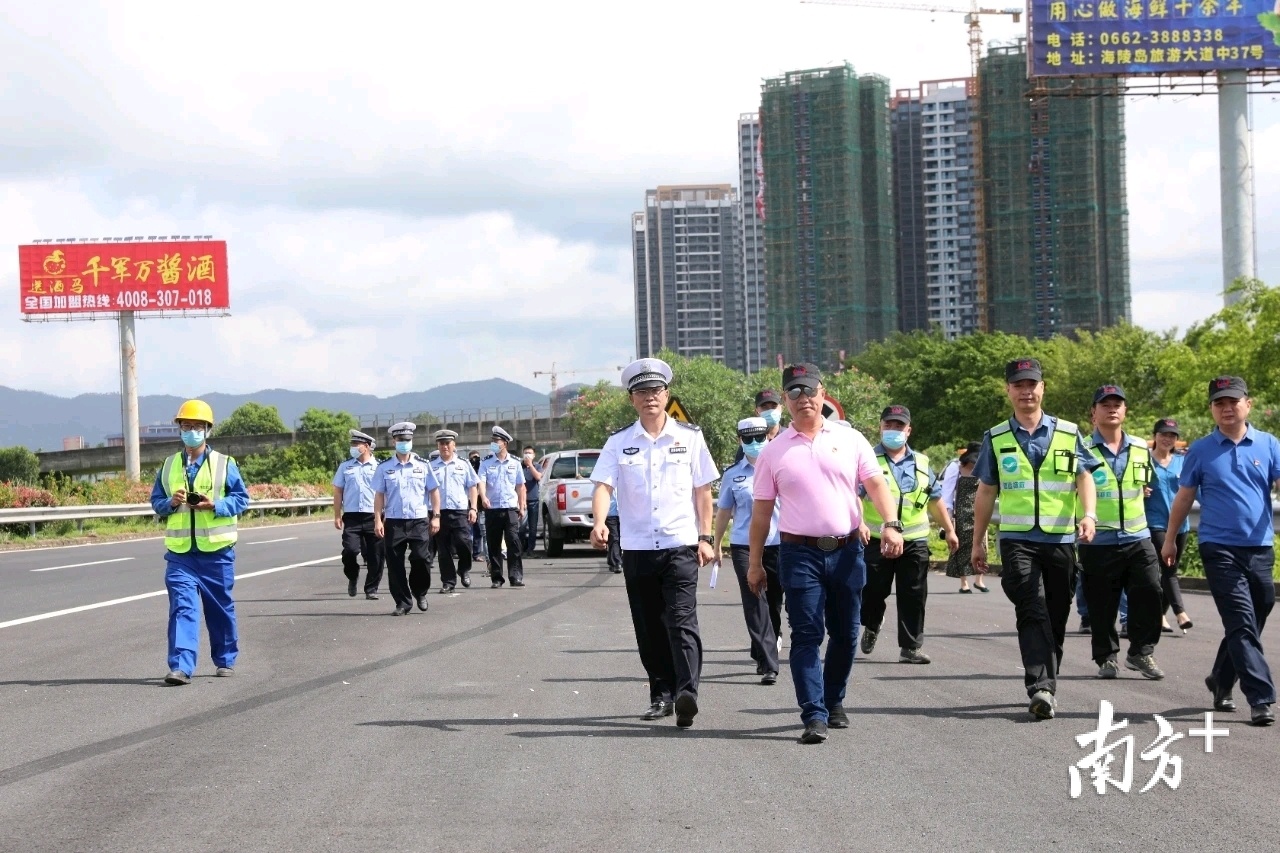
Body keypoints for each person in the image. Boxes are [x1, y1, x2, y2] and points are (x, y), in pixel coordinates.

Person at [749, 363, 905, 745]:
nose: (804, 399)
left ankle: (834, 700)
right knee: (806, 634)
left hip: (848, 549)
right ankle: (814, 714)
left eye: (809, 391)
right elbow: (761, 513)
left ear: (823, 394)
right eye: (795, 393)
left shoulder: (851, 440)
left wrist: (890, 522)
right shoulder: (773, 451)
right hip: (798, 553)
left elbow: (875, 483)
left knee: (847, 632)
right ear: (786, 402)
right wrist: (754, 563)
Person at [590, 357, 717, 729]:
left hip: (680, 545)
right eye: (642, 392)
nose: (650, 398)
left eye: (656, 391)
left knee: (681, 619)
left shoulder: (690, 438)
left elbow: (703, 491)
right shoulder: (619, 442)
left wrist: (706, 537)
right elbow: (603, 486)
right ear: (632, 399)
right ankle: (660, 695)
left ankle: (687, 692)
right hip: (638, 548)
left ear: (667, 395)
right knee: (649, 626)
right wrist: (599, 522)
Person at [971, 358, 1100, 721]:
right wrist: (977, 541)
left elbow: (1084, 477)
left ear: (1043, 387)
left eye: (1032, 384)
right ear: (1008, 390)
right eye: (1018, 385)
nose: (1026, 391)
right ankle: (1040, 685)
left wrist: (1088, 515)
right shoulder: (995, 437)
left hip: (1060, 539)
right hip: (1017, 539)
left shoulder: (1069, 432)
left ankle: (1047, 680)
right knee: (1031, 605)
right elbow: (985, 491)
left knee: (1056, 611)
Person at [1162, 376, 1280, 727]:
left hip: (1260, 545)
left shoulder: (1270, 444)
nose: (1227, 408)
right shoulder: (1200, 449)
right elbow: (1184, 497)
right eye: (1219, 403)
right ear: (1213, 409)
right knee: (1241, 621)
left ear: (1248, 404)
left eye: (1233, 401)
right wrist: (1170, 538)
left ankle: (1220, 678)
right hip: (1218, 546)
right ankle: (1260, 697)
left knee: (1258, 611)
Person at [150, 399, 251, 685]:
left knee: (219, 608)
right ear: (179, 429)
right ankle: (181, 667)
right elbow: (156, 501)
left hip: (217, 553)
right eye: (186, 426)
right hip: (181, 555)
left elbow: (241, 499)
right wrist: (170, 503)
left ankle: (225, 658)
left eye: (196, 426)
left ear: (207, 430)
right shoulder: (169, 465)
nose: (190, 431)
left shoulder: (225, 463)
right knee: (183, 608)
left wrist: (214, 506)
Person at [858, 405, 959, 665]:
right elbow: (853, 496)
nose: (893, 430)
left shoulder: (923, 462)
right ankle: (872, 622)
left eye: (899, 426)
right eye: (888, 425)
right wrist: (859, 523)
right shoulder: (867, 459)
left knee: (913, 594)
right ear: (880, 428)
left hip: (914, 540)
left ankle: (911, 647)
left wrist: (949, 530)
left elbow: (934, 500)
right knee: (870, 591)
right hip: (876, 539)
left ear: (908, 430)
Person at [1077, 385, 1165, 681]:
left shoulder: (1141, 446)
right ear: (1093, 413)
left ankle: (1141, 651)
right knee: (1102, 604)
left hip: (1138, 536)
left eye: (1118, 404)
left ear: (1125, 411)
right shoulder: (1082, 449)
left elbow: (1145, 480)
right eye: (1105, 404)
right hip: (1098, 539)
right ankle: (1106, 658)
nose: (1112, 408)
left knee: (1152, 591)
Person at [713, 417, 783, 686]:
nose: (755, 444)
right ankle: (768, 662)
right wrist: (717, 543)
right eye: (748, 439)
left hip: (778, 543)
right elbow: (724, 512)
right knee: (756, 601)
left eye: (759, 438)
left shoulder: (782, 466)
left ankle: (761, 646)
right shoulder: (733, 474)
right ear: (739, 440)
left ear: (768, 437)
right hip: (744, 545)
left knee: (774, 603)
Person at [373, 422, 441, 616]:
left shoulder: (423, 465)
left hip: (419, 520)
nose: (404, 443)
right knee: (395, 565)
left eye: (407, 440)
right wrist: (378, 519)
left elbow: (434, 491)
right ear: (394, 441)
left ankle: (420, 592)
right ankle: (403, 602)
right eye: (401, 440)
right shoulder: (384, 467)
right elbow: (379, 495)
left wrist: (436, 516)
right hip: (394, 521)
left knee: (421, 559)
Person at [1146, 417, 1194, 634]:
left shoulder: (1183, 462)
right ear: (1155, 436)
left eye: (1172, 435)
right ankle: (1180, 613)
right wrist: (1141, 490)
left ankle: (1158, 615)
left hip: (1181, 524)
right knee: (1168, 568)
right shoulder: (1145, 462)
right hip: (1155, 523)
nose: (1167, 439)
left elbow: (1195, 490)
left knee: (1170, 569)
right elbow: (1133, 485)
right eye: (1163, 434)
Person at [332, 429, 384, 601]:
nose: (353, 447)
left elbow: (386, 493)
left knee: (375, 555)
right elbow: (338, 491)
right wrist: (337, 515)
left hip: (374, 517)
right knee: (350, 551)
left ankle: (371, 588)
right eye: (352, 444)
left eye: (357, 444)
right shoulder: (345, 466)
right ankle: (352, 576)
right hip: (352, 517)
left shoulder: (380, 467)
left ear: (367, 446)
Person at [430, 429, 480, 592]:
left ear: (454, 445)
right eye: (441, 444)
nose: (444, 447)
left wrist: (473, 507)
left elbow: (472, 486)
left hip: (459, 511)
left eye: (447, 443)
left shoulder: (463, 464)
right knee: (443, 550)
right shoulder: (431, 467)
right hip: (439, 513)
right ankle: (448, 582)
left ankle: (464, 569)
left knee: (464, 543)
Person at [479, 426, 527, 588]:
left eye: (496, 441)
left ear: (505, 443)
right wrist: (483, 497)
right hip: (492, 509)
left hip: (510, 508)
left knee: (513, 542)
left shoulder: (514, 462)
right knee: (494, 544)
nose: (493, 443)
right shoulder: (486, 462)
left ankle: (516, 576)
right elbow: (481, 482)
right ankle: (497, 578)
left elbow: (520, 486)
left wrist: (522, 504)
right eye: (492, 441)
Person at [944, 448, 983, 591]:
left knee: (981, 544)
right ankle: (964, 582)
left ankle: (979, 580)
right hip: (961, 512)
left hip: (979, 510)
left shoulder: (983, 468)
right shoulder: (956, 468)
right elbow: (947, 492)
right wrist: (948, 514)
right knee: (964, 545)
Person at [521, 445, 542, 556]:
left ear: (534, 455)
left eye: (529, 453)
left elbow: (538, 477)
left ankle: (530, 550)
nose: (527, 455)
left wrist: (530, 466)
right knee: (521, 528)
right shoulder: (518, 466)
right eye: (525, 452)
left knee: (533, 527)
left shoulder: (537, 466)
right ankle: (521, 549)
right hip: (521, 501)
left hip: (533, 500)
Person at [468, 451, 488, 563]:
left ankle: (477, 553)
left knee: (479, 532)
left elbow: (482, 486)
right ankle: (469, 552)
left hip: (480, 506)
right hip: (467, 506)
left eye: (477, 458)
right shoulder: (468, 469)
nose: (475, 460)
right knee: (468, 532)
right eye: (472, 458)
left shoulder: (482, 470)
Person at [604, 491, 622, 573]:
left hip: (624, 514)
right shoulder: (605, 481)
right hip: (610, 514)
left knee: (622, 538)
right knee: (614, 537)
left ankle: (612, 561)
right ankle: (617, 563)